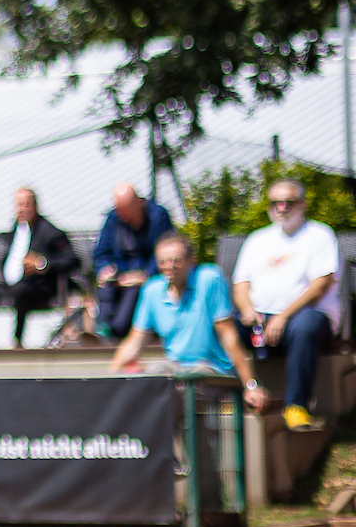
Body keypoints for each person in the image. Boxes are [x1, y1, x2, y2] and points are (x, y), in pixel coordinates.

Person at [112, 233, 267, 412]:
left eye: (176, 261)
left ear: (190, 260)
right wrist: (111, 379)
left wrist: (250, 385)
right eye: (162, 262)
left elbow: (228, 336)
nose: (169, 267)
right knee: (152, 375)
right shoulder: (152, 290)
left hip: (212, 369)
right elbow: (135, 342)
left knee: (185, 383)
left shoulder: (210, 279)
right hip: (176, 370)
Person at [231, 177, 341, 430]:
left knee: (304, 327)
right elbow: (240, 286)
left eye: (288, 202)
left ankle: (296, 408)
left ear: (302, 204)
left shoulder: (319, 235)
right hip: (262, 320)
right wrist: (248, 310)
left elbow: (320, 286)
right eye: (275, 203)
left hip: (307, 315)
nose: (281, 208)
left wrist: (283, 317)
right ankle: (236, 396)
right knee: (224, 327)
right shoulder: (257, 239)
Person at [0, 187, 80, 348]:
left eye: (27, 205)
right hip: (9, 284)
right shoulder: (14, 231)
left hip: (38, 287)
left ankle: (16, 340)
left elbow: (72, 259)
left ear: (36, 206)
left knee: (20, 291)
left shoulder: (49, 232)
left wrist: (42, 264)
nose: (22, 209)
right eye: (19, 205)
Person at [91, 184, 174, 339]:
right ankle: (101, 331)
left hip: (145, 276)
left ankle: (116, 332)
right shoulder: (114, 218)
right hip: (120, 274)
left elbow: (165, 252)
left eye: (126, 211)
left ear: (138, 202)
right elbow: (101, 253)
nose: (123, 217)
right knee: (106, 287)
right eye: (119, 211)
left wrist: (144, 275)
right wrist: (104, 270)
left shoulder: (158, 216)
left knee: (135, 291)